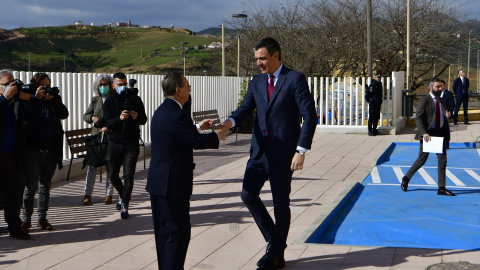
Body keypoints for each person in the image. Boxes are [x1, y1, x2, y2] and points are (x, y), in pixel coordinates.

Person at [219, 37, 317, 270]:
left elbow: (310, 116)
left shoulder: (294, 79)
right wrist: (228, 123)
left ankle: (275, 254)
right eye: (256, 59)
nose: (259, 64)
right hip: (259, 152)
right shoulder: (257, 81)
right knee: (247, 194)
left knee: (281, 204)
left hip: (283, 154)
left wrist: (301, 150)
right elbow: (245, 108)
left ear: (276, 55)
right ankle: (275, 243)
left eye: (262, 58)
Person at [146, 72, 226, 270]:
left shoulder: (165, 110)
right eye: (188, 87)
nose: (190, 90)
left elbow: (179, 135)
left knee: (165, 235)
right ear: (178, 90)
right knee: (177, 234)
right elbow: (194, 141)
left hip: (160, 183)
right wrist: (217, 135)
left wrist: (197, 127)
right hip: (171, 185)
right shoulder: (176, 114)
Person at [21, 73, 69, 232]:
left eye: (48, 85)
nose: (47, 88)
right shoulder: (29, 100)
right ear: (36, 86)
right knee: (30, 187)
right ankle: (26, 219)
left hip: (50, 150)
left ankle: (42, 218)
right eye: (43, 86)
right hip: (32, 150)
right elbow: (28, 119)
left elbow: (64, 114)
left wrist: (53, 100)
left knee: (45, 186)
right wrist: (36, 98)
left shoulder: (53, 100)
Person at [103, 72, 147, 219]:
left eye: (125, 84)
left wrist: (136, 117)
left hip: (131, 143)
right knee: (112, 175)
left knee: (129, 175)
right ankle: (123, 194)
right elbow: (107, 123)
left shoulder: (135, 99)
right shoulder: (109, 101)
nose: (123, 87)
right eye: (120, 85)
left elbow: (144, 119)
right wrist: (119, 118)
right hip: (114, 142)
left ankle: (125, 204)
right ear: (114, 86)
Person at [401, 78, 454, 196]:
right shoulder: (424, 100)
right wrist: (424, 132)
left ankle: (441, 188)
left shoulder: (441, 100)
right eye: (437, 87)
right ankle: (406, 178)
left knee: (442, 160)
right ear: (431, 87)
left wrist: (447, 116)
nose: (440, 89)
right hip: (428, 134)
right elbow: (419, 118)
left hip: (440, 133)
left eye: (441, 86)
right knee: (422, 159)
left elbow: (441, 116)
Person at [0, 70, 31, 240]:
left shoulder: (17, 102)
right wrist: (5, 98)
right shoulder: (3, 100)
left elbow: (31, 120)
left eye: (12, 83)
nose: (10, 86)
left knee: (13, 193)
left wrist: (28, 100)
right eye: (6, 83)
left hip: (13, 155)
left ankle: (15, 227)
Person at [81, 74, 115, 205]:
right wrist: (93, 118)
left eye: (105, 84)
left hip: (110, 136)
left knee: (110, 166)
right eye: (101, 84)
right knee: (92, 166)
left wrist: (109, 126)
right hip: (96, 137)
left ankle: (109, 195)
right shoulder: (95, 100)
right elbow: (86, 115)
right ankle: (87, 194)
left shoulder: (114, 99)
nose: (103, 87)